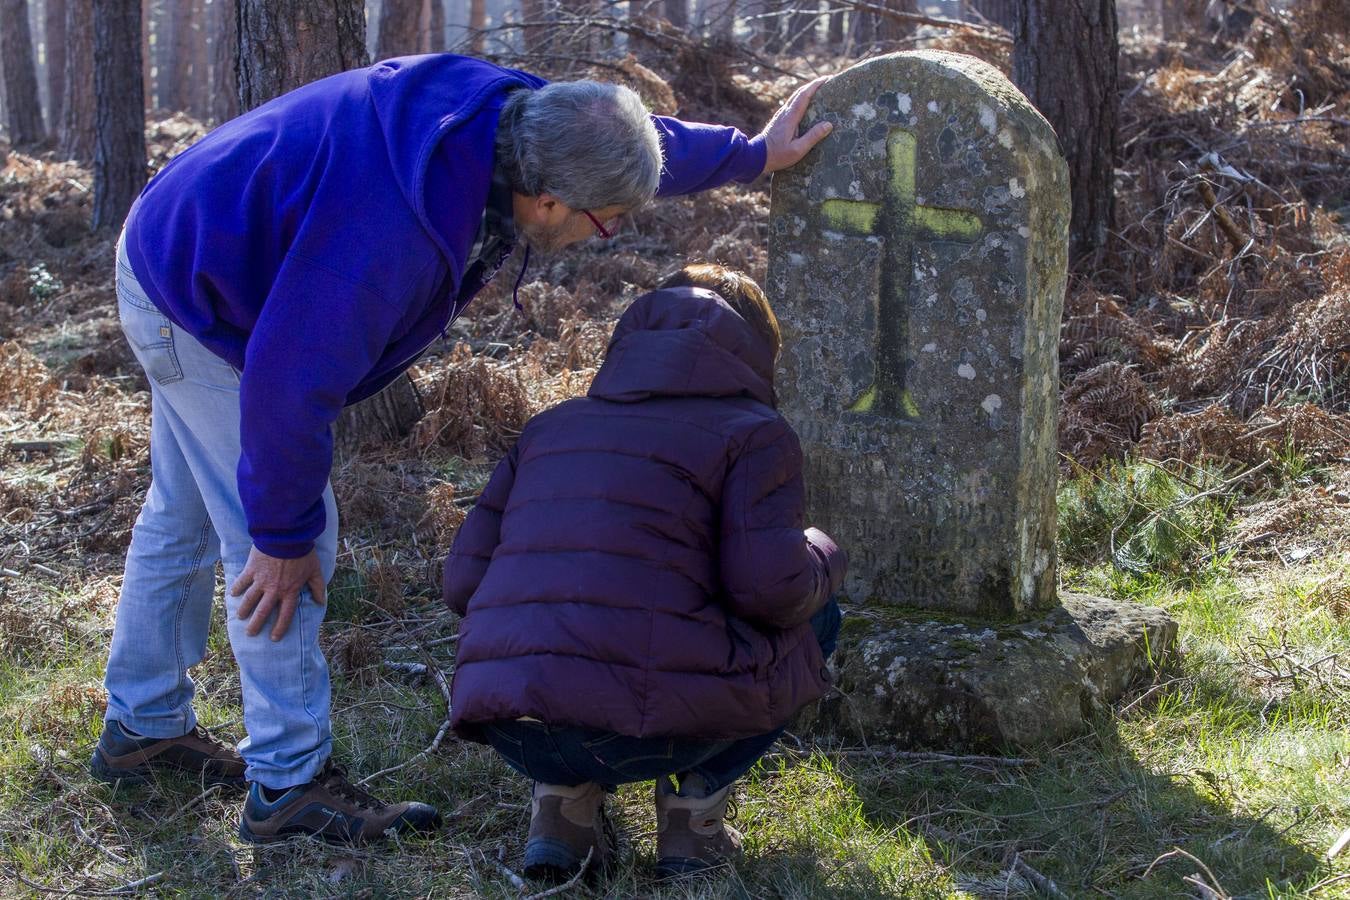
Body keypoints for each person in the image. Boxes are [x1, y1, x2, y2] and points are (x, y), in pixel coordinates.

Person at [93, 51, 833, 846]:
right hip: (198, 298)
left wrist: (754, 155)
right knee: (282, 545)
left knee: (182, 515)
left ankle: (143, 727)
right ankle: (289, 784)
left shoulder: (527, 122)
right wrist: (280, 537)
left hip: (202, 243)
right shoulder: (390, 232)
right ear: (547, 202)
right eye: (603, 221)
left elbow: (625, 139)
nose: (607, 233)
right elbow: (286, 381)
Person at [443, 264, 847, 880]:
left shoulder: (550, 429)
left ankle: (562, 810)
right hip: (648, 730)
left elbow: (462, 586)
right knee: (819, 611)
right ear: (754, 351)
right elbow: (771, 589)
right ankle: (694, 817)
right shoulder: (755, 435)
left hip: (512, 721)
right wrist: (823, 551)